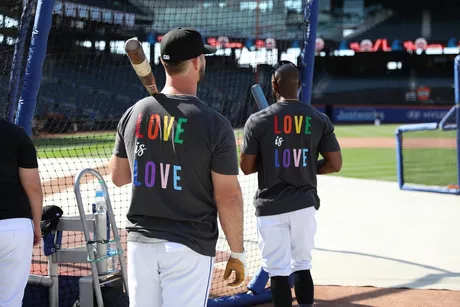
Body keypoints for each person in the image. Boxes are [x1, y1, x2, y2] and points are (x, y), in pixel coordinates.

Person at [109, 27, 246, 307]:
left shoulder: (135, 112)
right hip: (190, 245)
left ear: (162, 63)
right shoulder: (215, 124)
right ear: (197, 62)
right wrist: (237, 252)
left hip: (140, 245)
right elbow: (228, 196)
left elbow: (119, 177)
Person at [240, 60, 342, 307]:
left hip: (271, 206)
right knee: (303, 265)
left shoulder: (257, 120)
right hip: (304, 204)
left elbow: (245, 167)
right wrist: (308, 167)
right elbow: (335, 164)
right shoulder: (318, 118)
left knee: (278, 270)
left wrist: (270, 162)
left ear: (274, 84)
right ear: (298, 85)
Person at [0, 118, 43, 307]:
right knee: (10, 301)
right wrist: (36, 224)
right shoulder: (15, 133)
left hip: (15, 226)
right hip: (15, 227)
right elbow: (33, 186)